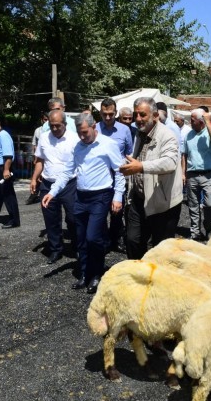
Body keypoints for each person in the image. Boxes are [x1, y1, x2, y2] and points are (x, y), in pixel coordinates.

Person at [42, 113, 125, 294]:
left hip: (101, 197)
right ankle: (85, 273)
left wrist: (118, 197)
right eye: (79, 133)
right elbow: (67, 172)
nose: (82, 136)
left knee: (93, 237)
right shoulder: (78, 147)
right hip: (80, 197)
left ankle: (97, 273)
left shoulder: (108, 145)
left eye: (85, 132)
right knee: (80, 239)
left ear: (94, 127)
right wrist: (52, 192)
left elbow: (119, 171)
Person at [119, 97, 182, 260]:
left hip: (163, 203)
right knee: (132, 240)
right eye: (136, 114)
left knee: (161, 249)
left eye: (142, 115)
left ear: (155, 116)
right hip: (139, 199)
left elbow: (170, 163)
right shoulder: (139, 134)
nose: (138, 119)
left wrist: (141, 166)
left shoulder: (168, 135)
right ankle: (138, 276)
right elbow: (137, 159)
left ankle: (159, 281)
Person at [32, 109, 80, 265]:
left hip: (69, 184)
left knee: (73, 217)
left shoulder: (75, 138)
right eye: (51, 125)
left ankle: (77, 246)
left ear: (65, 124)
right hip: (47, 182)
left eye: (57, 126)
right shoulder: (44, 138)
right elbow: (40, 160)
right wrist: (34, 178)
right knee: (51, 218)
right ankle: (55, 249)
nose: (54, 129)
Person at [98, 98, 133, 253]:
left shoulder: (124, 130)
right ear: (100, 112)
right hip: (100, 176)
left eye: (111, 114)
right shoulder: (95, 129)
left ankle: (116, 238)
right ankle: (104, 240)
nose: (107, 118)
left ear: (116, 113)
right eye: (104, 114)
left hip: (118, 175)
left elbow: (129, 152)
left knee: (118, 210)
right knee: (101, 210)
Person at [182, 108, 211, 240]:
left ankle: (208, 227)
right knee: (193, 205)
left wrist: (208, 121)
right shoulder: (189, 135)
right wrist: (183, 173)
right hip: (192, 174)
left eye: (192, 120)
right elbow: (184, 155)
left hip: (208, 174)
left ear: (201, 121)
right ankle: (195, 233)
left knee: (209, 204)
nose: (190, 122)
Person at [26, 112, 49, 204]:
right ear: (42, 120)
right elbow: (35, 145)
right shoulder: (38, 131)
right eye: (45, 120)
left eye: (48, 120)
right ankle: (33, 195)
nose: (46, 121)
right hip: (40, 157)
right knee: (37, 177)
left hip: (49, 158)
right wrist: (36, 159)